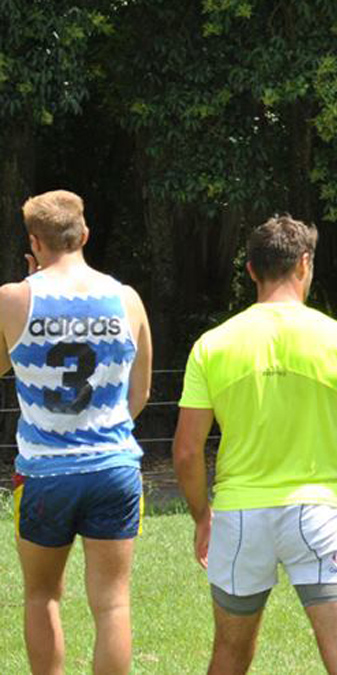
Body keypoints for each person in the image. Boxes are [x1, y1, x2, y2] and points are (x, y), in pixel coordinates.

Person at [172, 215, 337, 674]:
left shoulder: (212, 345)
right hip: (320, 513)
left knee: (229, 654)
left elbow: (186, 451)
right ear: (305, 263)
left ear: (250, 270)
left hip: (240, 517)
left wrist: (203, 516)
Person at [1, 190, 152, 674]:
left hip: (45, 474)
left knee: (42, 596)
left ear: (34, 241)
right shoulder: (127, 299)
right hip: (114, 467)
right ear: (84, 234)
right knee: (113, 604)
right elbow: (140, 394)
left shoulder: (12, 299)